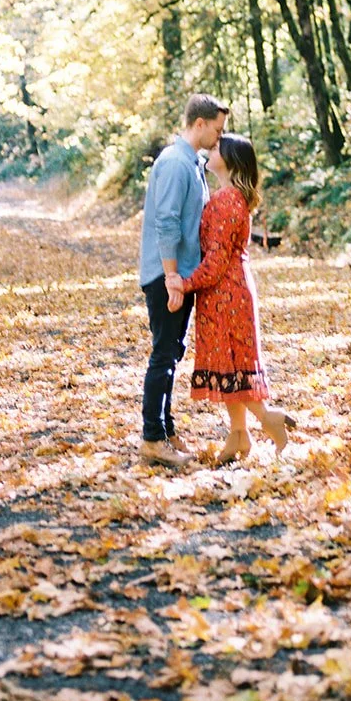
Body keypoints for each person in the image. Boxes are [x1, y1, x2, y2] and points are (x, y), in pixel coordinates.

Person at [169, 132, 294, 464]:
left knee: (234, 365)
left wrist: (184, 283)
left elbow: (216, 261)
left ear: (231, 160)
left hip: (227, 293)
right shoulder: (229, 196)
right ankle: (238, 436)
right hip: (225, 291)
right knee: (229, 365)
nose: (212, 149)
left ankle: (270, 419)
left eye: (217, 148)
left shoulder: (227, 201)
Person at [137, 93, 229, 468]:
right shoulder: (176, 164)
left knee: (172, 353)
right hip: (166, 275)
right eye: (218, 129)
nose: (220, 136)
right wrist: (172, 275)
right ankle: (152, 439)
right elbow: (167, 222)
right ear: (200, 124)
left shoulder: (192, 162)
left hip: (180, 274)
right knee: (163, 354)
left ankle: (165, 429)